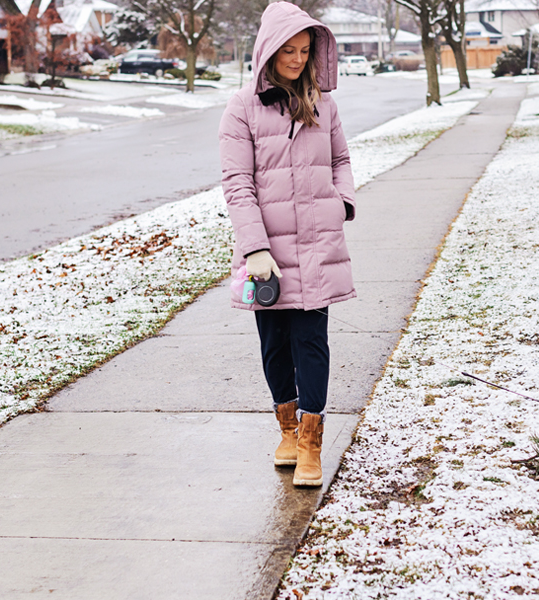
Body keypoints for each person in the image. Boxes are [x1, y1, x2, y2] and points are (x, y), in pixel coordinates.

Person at [218, 2, 356, 487]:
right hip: (266, 252)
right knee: (274, 343)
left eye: (305, 50)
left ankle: (313, 443)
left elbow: (341, 159)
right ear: (268, 51)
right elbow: (237, 183)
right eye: (289, 51)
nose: (297, 59)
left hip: (317, 243)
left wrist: (341, 202)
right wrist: (255, 247)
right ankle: (289, 432)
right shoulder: (242, 108)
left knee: (312, 342)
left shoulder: (324, 103)